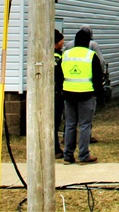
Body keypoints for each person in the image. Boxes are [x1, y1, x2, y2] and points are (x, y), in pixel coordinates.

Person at [61, 26, 104, 164]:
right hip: (86, 94)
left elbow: (59, 74)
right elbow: (98, 77)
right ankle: (84, 155)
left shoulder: (66, 55)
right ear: (88, 42)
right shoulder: (91, 56)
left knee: (70, 124)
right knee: (85, 125)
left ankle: (68, 156)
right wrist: (100, 95)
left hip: (68, 94)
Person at [53, 29, 65, 159]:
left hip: (46, 93)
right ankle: (55, 149)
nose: (63, 43)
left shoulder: (44, 55)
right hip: (57, 94)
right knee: (55, 123)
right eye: (62, 40)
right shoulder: (61, 57)